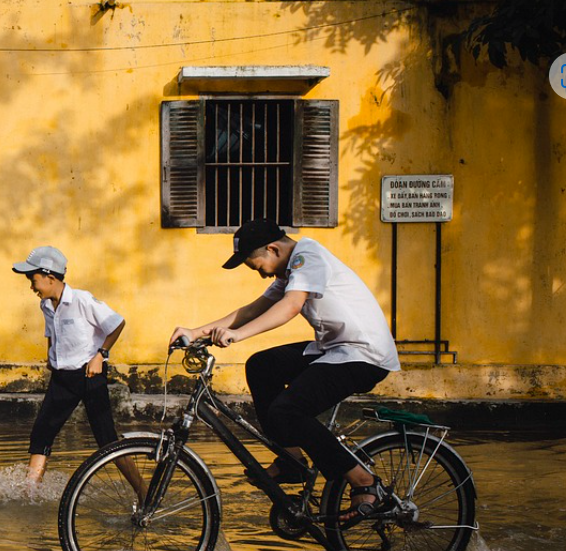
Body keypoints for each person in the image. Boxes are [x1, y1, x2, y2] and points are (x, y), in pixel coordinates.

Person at [169, 219, 401, 521]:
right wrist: (197, 332)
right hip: (335, 349)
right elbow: (254, 308)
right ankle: (292, 459)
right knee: (262, 366)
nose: (261, 274)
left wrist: (238, 336)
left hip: (363, 354)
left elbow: (291, 306)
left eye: (257, 266)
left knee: (287, 411)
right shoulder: (290, 267)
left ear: (273, 248)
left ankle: (364, 482)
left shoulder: (308, 256)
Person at [13, 246, 128, 485]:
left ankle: (143, 491)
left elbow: (116, 323)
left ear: (50, 278)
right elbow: (51, 332)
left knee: (107, 441)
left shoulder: (82, 300)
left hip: (89, 375)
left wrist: (101, 354)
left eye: (34, 280)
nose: (32, 287)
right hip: (62, 379)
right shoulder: (45, 305)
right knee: (41, 434)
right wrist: (50, 356)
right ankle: (29, 493)